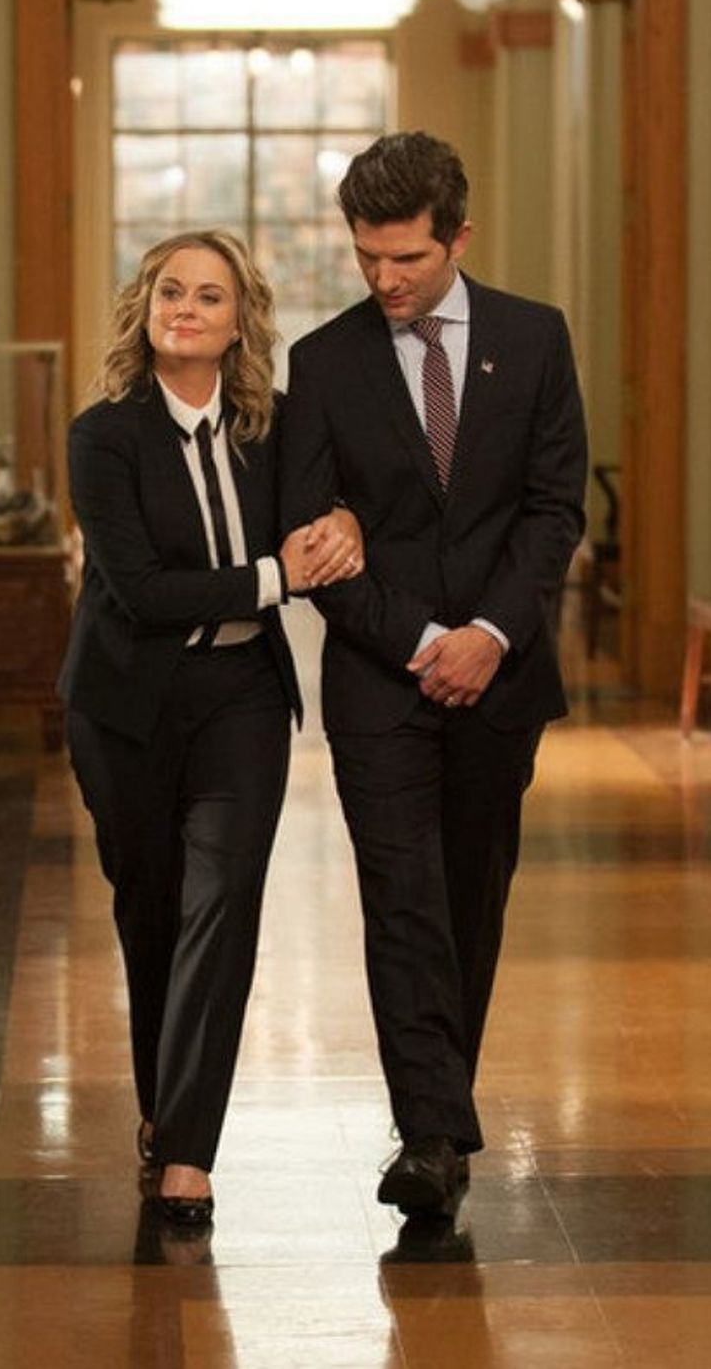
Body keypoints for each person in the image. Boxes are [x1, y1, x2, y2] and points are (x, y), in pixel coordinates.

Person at [279, 132, 587, 1216]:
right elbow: (307, 537)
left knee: (468, 897)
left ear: (458, 236)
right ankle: (431, 1137)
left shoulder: (534, 339)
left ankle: (438, 1117)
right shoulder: (323, 361)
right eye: (366, 256)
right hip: (381, 677)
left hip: (502, 676)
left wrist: (489, 634)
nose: (384, 279)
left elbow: (553, 510)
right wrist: (419, 641)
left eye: (405, 257)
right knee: (401, 897)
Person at [58, 229, 362, 1227]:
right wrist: (278, 575)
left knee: (221, 903)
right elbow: (142, 592)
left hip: (242, 694)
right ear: (145, 310)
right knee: (152, 912)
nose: (185, 309)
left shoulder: (272, 428)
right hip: (127, 706)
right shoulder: (103, 437)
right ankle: (163, 1106)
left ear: (240, 323)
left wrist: (343, 525)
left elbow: (325, 515)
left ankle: (188, 1151)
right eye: (170, 292)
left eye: (208, 296)